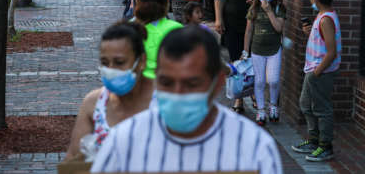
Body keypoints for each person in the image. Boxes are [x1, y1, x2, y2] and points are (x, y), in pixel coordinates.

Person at [90, 26, 283, 173]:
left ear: (217, 83)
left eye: (192, 84)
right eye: (166, 82)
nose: (177, 93)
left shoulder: (254, 147)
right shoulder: (124, 141)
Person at [65, 21, 154, 161]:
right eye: (105, 63)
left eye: (119, 62)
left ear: (141, 61)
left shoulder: (163, 101)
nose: (111, 69)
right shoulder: (94, 103)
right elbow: (73, 159)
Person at [214, 0, 270, 113]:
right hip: (231, 22)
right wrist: (218, 19)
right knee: (236, 61)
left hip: (256, 22)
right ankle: (238, 98)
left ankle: (254, 94)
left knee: (255, 61)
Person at [292, 0, 341, 162]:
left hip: (320, 72)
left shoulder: (326, 19)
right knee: (306, 105)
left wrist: (317, 72)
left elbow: (331, 52)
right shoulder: (321, 16)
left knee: (322, 109)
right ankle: (314, 140)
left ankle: (325, 145)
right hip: (313, 71)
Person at [244, 0, 286, 126]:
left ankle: (273, 105)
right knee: (260, 81)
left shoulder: (279, 8)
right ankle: (261, 110)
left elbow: (279, 28)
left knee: (273, 80)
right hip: (256, 50)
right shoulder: (253, 8)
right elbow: (248, 31)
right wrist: (245, 51)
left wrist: (269, 11)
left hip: (274, 49)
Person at [134, 0, 182, 79]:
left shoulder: (129, 28)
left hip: (137, 88)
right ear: (166, 2)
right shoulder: (176, 29)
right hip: (168, 89)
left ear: (138, 0)